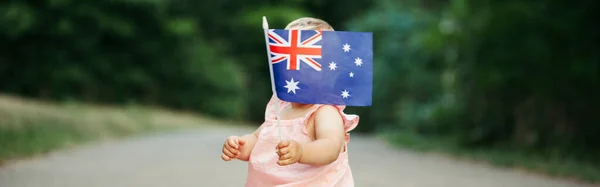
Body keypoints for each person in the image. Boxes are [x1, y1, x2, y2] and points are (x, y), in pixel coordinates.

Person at [220, 17, 360, 187]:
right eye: (292, 66)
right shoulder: (280, 108)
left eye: (311, 66)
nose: (300, 74)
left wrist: (302, 152)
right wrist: (242, 146)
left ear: (331, 74)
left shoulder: (324, 111)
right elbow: (258, 138)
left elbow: (331, 146)